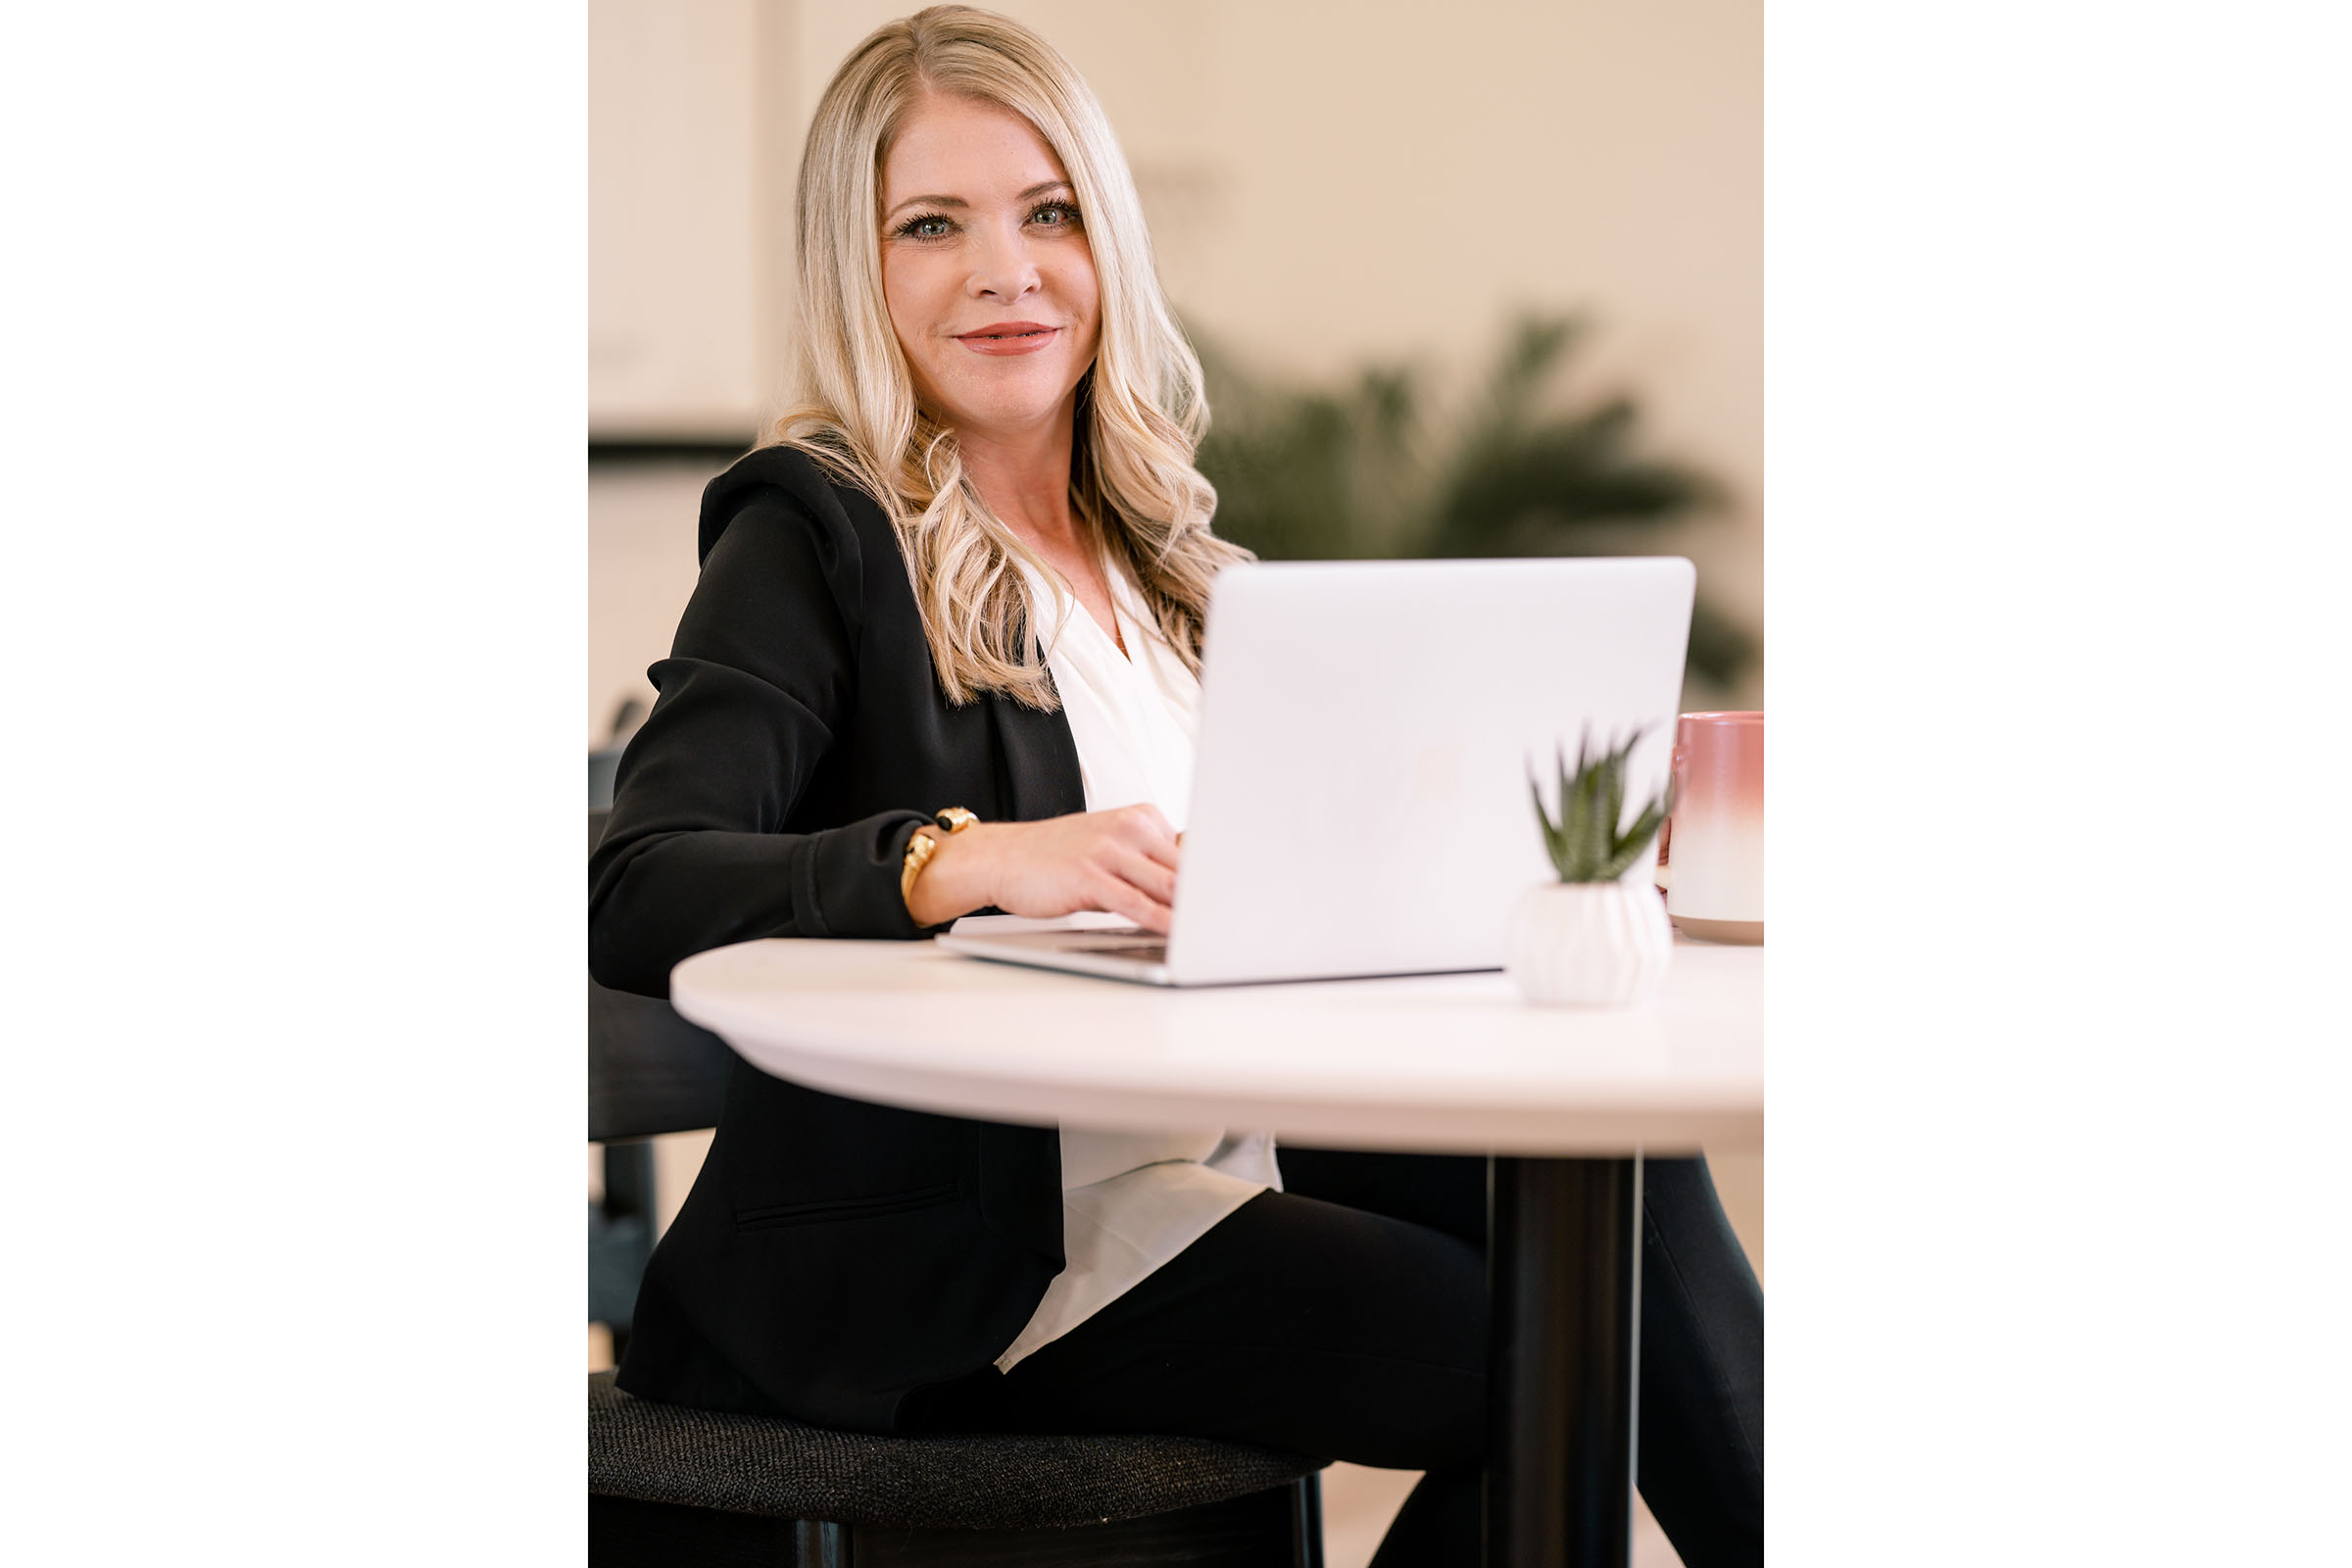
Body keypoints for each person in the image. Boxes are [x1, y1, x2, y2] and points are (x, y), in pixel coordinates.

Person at [587, 8, 1762, 1563]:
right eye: (932, 226)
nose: (1007, 269)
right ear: (857, 271)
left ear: (1106, 245)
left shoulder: (1179, 569)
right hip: (981, 1256)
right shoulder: (817, 533)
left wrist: (1534, 865)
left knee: (1620, 1224)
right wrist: (964, 859)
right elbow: (642, 875)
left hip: (1210, 1170)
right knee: (1555, 1375)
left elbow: (1303, 888)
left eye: (1049, 212)